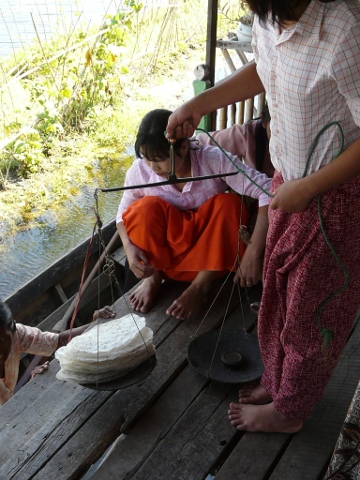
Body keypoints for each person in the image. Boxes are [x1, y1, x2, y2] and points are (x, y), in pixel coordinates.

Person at [166, 0, 360, 433]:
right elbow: (265, 67)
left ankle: (290, 412)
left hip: (332, 200)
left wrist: (308, 187)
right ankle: (277, 381)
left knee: (311, 315)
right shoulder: (269, 14)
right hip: (287, 184)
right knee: (279, 298)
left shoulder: (345, 29)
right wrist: (201, 102)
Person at [116, 108, 272, 321]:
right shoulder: (140, 171)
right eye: (147, 158)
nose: (153, 167)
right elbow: (122, 216)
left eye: (160, 159)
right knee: (143, 210)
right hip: (164, 261)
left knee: (229, 205)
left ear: (183, 146)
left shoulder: (212, 159)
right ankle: (153, 279)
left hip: (210, 259)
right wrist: (129, 247)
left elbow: (267, 192)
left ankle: (200, 288)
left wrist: (253, 254)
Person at [0, 301, 115, 405]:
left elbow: (57, 341)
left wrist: (95, 324)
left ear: (13, 327)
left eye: (2, 339)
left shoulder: (17, 334)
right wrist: (25, 388)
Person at [195, 104, 274, 178]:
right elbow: (201, 143)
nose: (281, 142)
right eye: (274, 132)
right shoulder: (248, 135)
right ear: (263, 121)